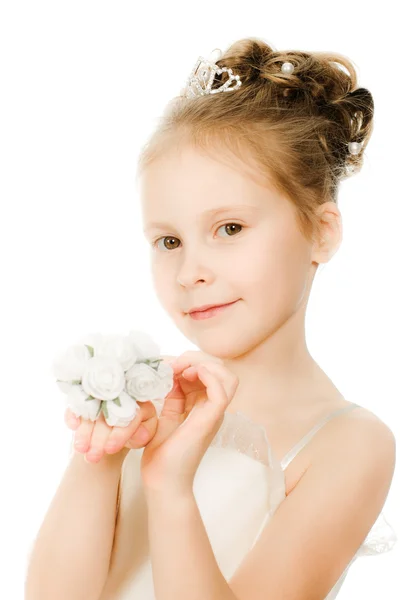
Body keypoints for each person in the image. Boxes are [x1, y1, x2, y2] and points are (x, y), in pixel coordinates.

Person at [25, 37, 397, 600]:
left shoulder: (348, 444)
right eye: (168, 240)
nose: (189, 272)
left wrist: (170, 486)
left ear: (321, 232)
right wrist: (98, 461)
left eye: (230, 229)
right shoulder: (150, 400)